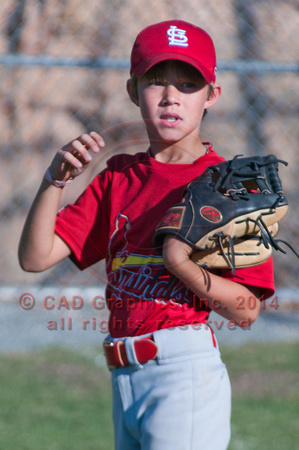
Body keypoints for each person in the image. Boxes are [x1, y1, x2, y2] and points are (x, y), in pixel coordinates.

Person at [19, 20, 275, 450]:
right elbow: (34, 257)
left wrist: (180, 263)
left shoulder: (230, 184)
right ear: (133, 91)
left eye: (188, 83)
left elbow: (246, 311)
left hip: (184, 376)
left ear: (212, 94)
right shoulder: (119, 176)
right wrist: (53, 181)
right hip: (124, 379)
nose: (172, 96)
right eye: (156, 80)